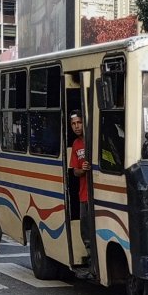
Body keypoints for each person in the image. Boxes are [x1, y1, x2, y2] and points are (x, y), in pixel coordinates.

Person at [69, 110, 94, 273]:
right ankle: (92, 262)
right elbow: (74, 171)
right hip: (83, 195)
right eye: (73, 124)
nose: (77, 126)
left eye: (79, 122)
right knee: (85, 231)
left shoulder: (93, 140)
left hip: (97, 195)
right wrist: (82, 170)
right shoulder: (76, 145)